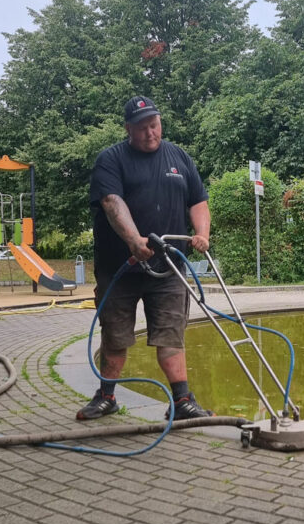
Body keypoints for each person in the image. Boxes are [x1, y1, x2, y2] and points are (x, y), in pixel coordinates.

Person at [77, 95, 213, 421]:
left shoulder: (179, 157)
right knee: (115, 334)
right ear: (128, 129)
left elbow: (198, 201)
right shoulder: (111, 159)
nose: (150, 133)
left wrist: (202, 233)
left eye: (154, 125)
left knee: (171, 333)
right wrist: (134, 240)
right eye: (142, 128)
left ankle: (182, 402)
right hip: (120, 268)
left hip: (168, 269)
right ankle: (107, 396)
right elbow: (111, 202)